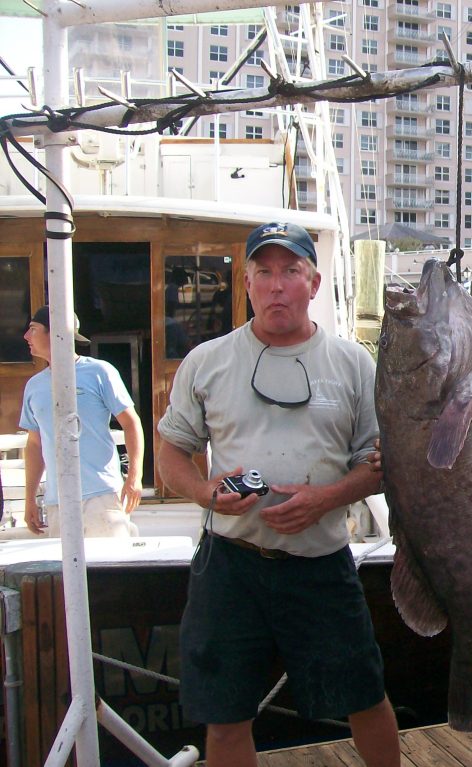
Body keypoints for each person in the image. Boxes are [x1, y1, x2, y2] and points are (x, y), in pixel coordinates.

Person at [157, 221, 400, 767]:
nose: (276, 285)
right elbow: (170, 451)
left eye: (290, 270)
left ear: (313, 284)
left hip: (320, 564)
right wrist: (202, 491)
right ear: (246, 283)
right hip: (230, 566)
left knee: (364, 697)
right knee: (224, 717)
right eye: (263, 272)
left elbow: (380, 464)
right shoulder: (207, 361)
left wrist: (330, 496)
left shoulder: (353, 363)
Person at [19, 306, 143, 537]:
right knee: (64, 573)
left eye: (33, 329)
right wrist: (30, 499)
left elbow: (131, 423)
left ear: (55, 333)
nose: (26, 336)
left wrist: (134, 478)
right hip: (58, 501)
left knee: (110, 569)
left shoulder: (100, 372)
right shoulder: (33, 386)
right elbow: (34, 444)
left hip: (102, 495)